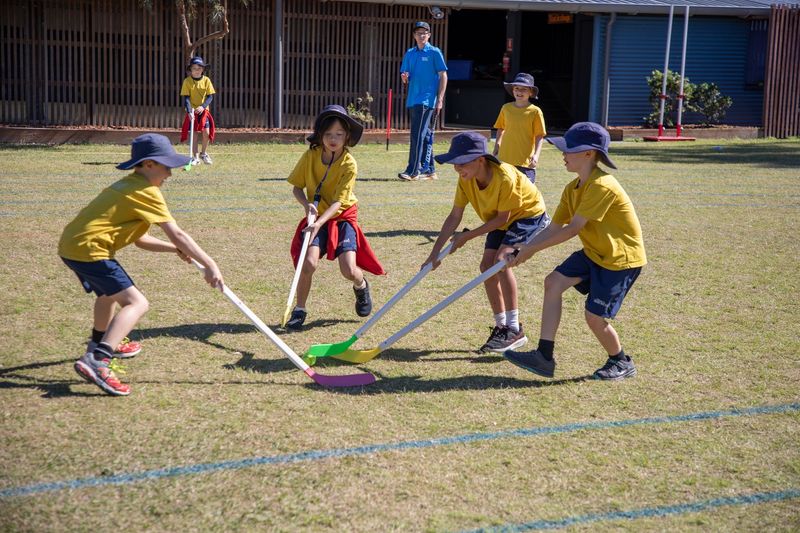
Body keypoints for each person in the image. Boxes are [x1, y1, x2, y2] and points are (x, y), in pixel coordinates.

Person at [59, 133, 224, 396]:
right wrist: (210, 263)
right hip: (90, 250)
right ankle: (98, 360)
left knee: (107, 295)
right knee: (137, 303)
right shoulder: (146, 191)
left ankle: (97, 344)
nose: (170, 174)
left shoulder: (131, 186)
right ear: (148, 164)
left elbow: (141, 240)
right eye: (166, 166)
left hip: (73, 246)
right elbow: (177, 233)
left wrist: (175, 250)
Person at [503, 122, 646, 380]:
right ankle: (544, 357)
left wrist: (532, 250)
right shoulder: (572, 189)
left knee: (594, 318)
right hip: (594, 252)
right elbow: (554, 227)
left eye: (569, 149)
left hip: (619, 260)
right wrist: (524, 248)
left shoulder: (602, 185)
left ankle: (621, 361)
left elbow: (572, 229)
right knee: (553, 282)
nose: (563, 154)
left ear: (589, 154)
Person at [423, 131, 550, 353]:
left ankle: (514, 329)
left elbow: (503, 219)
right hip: (499, 218)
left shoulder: (504, 177)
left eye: (462, 163)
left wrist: (466, 236)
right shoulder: (466, 180)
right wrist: (434, 254)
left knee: (501, 261)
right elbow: (454, 216)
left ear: (481, 160)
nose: (457, 168)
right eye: (455, 164)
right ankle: (501, 327)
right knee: (486, 267)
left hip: (527, 215)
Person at [286, 105, 385, 330]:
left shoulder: (349, 164)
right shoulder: (310, 155)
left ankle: (361, 286)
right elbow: (297, 188)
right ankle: (299, 310)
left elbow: (339, 202)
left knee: (348, 270)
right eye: (329, 134)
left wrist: (319, 222)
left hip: (342, 216)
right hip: (318, 216)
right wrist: (307, 206)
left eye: (339, 134)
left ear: (347, 136)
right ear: (320, 135)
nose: (333, 139)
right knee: (308, 263)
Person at [398, 21, 448, 182]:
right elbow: (405, 77)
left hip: (426, 100)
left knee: (417, 135)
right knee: (425, 135)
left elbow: (443, 75)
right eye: (418, 33)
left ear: (429, 35)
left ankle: (413, 171)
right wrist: (405, 77)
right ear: (414, 35)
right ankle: (429, 170)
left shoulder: (434, 52)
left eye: (424, 33)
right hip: (413, 99)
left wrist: (440, 99)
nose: (421, 35)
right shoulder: (410, 53)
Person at [492, 72, 546, 183]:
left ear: (531, 92)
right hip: (505, 159)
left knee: (526, 192)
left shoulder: (535, 111)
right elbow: (500, 128)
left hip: (525, 162)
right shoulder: (506, 108)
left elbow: (539, 135)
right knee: (505, 190)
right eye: (517, 88)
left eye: (524, 89)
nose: (519, 92)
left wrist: (536, 155)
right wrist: (497, 145)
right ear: (513, 90)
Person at [180, 56, 216, 165]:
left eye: (199, 68)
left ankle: (203, 154)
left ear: (203, 69)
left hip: (203, 111)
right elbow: (186, 98)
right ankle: (195, 157)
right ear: (190, 70)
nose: (197, 71)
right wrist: (189, 111)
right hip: (192, 111)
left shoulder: (206, 80)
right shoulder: (187, 81)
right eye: (194, 68)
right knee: (194, 134)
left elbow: (210, 96)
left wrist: (203, 106)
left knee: (206, 133)